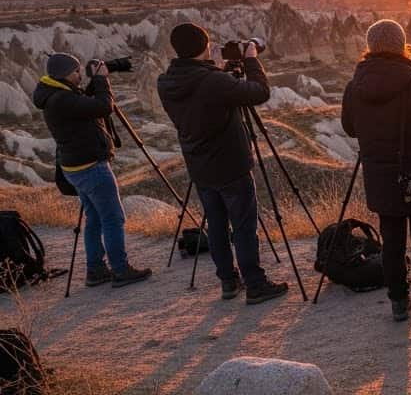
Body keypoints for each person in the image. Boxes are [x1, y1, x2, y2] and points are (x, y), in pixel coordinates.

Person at [157, 24, 288, 305]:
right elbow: (258, 92)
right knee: (242, 226)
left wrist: (216, 69)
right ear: (204, 46)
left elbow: (203, 96)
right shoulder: (211, 82)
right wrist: (251, 58)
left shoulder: (167, 81)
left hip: (200, 167)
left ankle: (228, 281)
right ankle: (255, 284)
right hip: (230, 164)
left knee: (216, 225)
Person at [341, 20, 411, 325]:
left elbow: (349, 128)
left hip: (379, 177)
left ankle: (398, 303)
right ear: (401, 45)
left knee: (392, 241)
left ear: (370, 47)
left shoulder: (355, 86)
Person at [32, 53, 151, 289]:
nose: (79, 75)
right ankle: (120, 269)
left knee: (95, 217)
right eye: (77, 72)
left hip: (75, 167)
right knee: (113, 217)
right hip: (91, 168)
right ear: (67, 74)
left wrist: (98, 78)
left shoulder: (54, 94)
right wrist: (101, 81)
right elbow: (103, 106)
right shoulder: (61, 100)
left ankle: (95, 270)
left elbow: (82, 104)